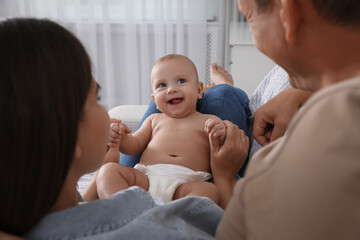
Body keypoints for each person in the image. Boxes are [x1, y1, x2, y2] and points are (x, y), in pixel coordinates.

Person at [0, 18, 249, 239]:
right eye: (96, 99)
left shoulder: (50, 209)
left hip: (182, 178)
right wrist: (225, 177)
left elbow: (83, 204)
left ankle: (219, 87)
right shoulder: (165, 229)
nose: (171, 89)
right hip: (152, 179)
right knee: (223, 99)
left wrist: (106, 164)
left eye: (180, 82)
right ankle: (225, 88)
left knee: (108, 170)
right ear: (69, 137)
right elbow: (238, 232)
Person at [215, 0, 360, 239]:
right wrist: (301, 92)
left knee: (219, 98)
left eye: (249, 17)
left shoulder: (273, 174)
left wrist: (224, 177)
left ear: (288, 11)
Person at [96, 54, 239, 204]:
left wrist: (220, 133)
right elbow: (134, 145)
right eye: (162, 85)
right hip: (146, 178)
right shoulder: (154, 119)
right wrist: (120, 136)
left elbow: (222, 151)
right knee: (108, 171)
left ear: (198, 90)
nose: (171, 89)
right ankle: (124, 211)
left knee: (209, 191)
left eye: (181, 81)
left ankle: (171, 219)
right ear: (155, 101)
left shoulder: (209, 120)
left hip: (186, 183)